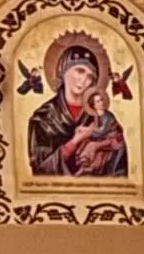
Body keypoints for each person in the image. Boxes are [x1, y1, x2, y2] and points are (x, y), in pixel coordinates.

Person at [26, 40, 129, 180]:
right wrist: (74, 142)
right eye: (80, 71)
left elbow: (119, 157)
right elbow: (39, 170)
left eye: (90, 77)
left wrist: (97, 145)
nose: (84, 80)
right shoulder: (43, 118)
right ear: (63, 69)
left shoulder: (102, 117)